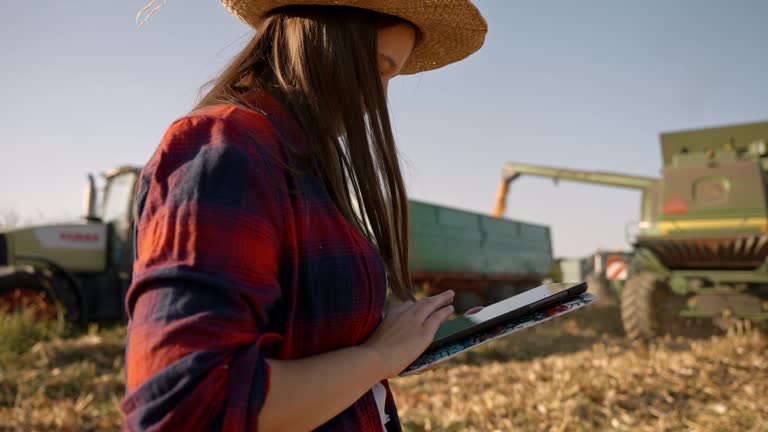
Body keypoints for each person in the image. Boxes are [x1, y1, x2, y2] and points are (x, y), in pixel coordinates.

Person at [121, 1, 487, 431]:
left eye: (389, 76)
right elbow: (189, 410)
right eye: (374, 67)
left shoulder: (300, 162)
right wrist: (378, 357)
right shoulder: (226, 148)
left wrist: (380, 338)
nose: (377, 98)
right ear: (315, 34)